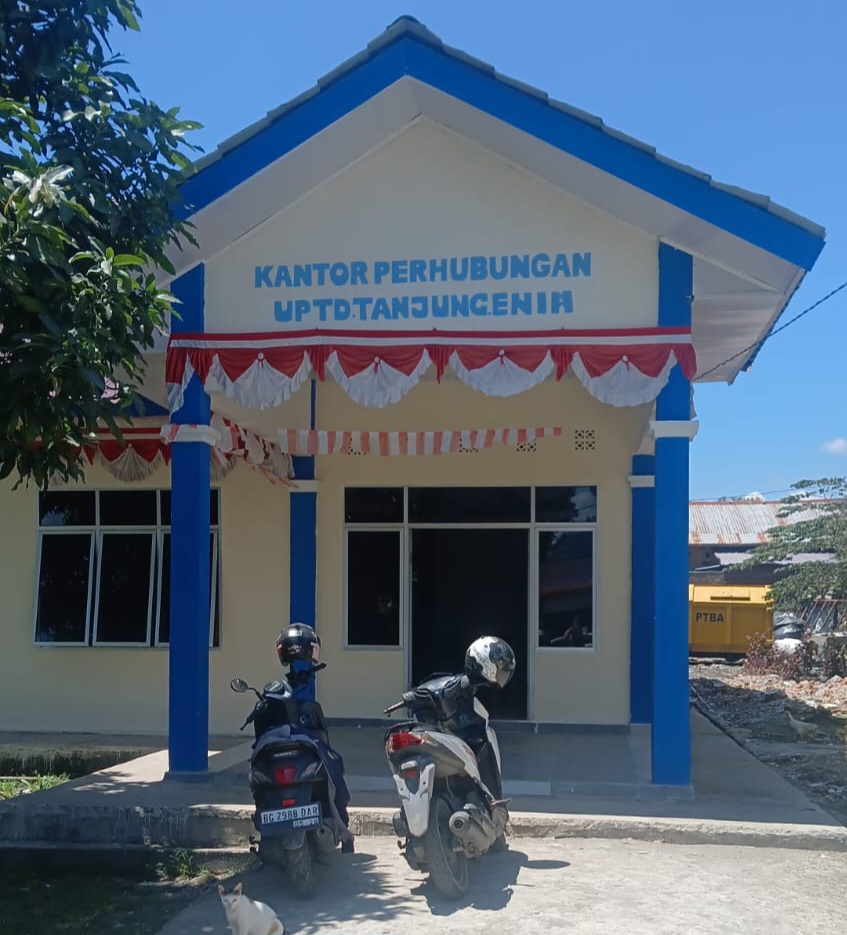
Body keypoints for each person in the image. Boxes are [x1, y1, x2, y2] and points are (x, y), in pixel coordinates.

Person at [274, 623, 352, 829]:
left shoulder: (277, 701)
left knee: (331, 760)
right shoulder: (305, 708)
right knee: (331, 760)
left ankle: (339, 818)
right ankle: (340, 819)